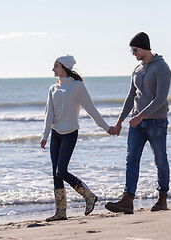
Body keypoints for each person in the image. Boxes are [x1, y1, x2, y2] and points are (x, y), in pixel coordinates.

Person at [41, 55, 114, 221]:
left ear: (64, 68)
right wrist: (44, 135)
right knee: (55, 173)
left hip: (70, 134)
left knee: (61, 171)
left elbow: (91, 110)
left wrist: (107, 128)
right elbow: (48, 114)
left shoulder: (77, 87)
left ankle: (89, 196)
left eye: (56, 66)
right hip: (56, 134)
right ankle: (60, 212)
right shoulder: (53, 89)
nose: (53, 69)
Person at [105, 32, 171, 214]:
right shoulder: (137, 70)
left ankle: (162, 198)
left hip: (156, 122)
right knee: (131, 159)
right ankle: (127, 200)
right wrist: (119, 121)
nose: (133, 53)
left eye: (135, 49)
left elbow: (161, 98)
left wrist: (141, 115)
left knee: (160, 160)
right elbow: (130, 97)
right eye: (131, 50)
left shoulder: (162, 67)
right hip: (137, 123)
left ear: (144, 48)